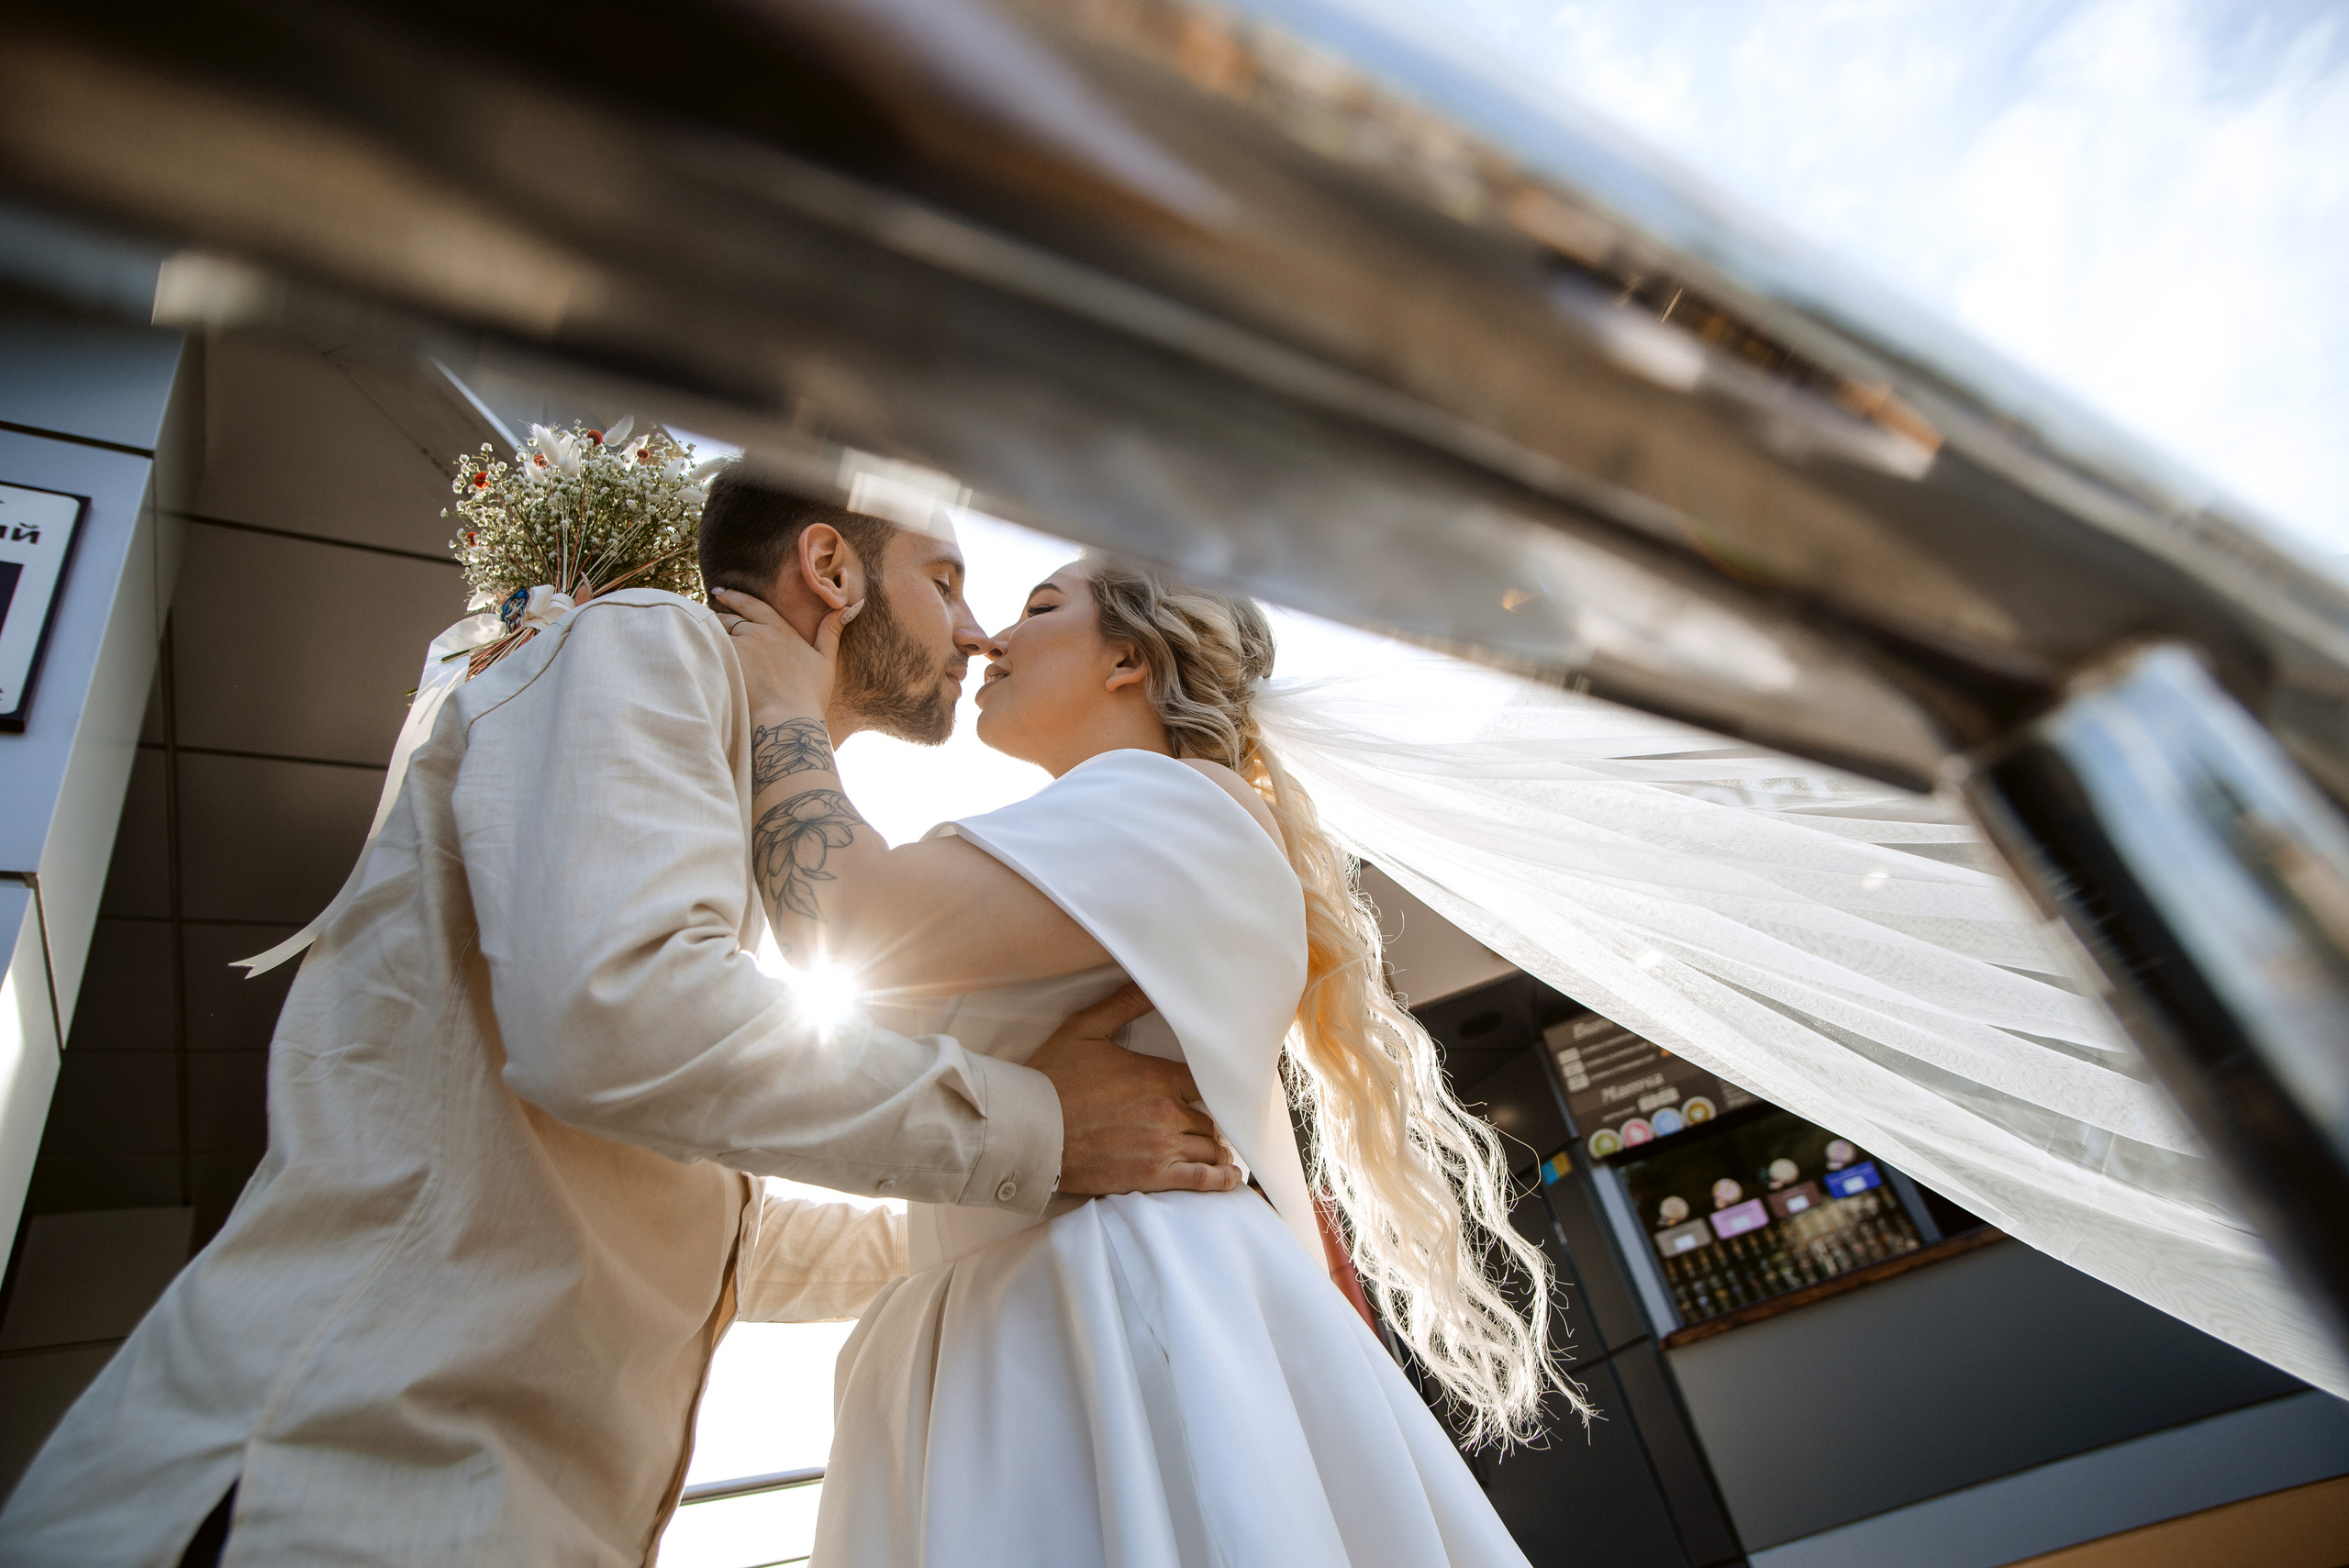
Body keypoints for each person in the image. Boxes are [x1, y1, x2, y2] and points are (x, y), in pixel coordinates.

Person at [0, 469, 1241, 1568]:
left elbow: (695, 1233)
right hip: (332, 1483)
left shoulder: (700, 784)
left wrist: (1029, 1200)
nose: (973, 634)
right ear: (829, 568)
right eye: (947, 579)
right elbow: (617, 1015)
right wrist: (1036, 1126)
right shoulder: (644, 645)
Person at [712, 545, 1580, 1566]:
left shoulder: (1174, 800)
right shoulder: (1119, 818)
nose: (989, 634)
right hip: (1020, 1309)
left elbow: (849, 918)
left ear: (1127, 659)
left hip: (1103, 1314)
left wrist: (781, 705)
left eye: (1039, 605)